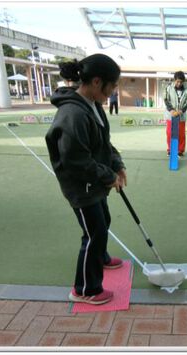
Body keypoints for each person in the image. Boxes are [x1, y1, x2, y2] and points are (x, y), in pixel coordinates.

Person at [45, 54, 127, 305]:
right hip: (80, 184)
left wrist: (117, 165)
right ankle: (85, 289)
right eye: (112, 86)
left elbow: (104, 143)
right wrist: (108, 175)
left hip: (95, 179)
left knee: (104, 221)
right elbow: (75, 160)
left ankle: (100, 258)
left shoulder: (94, 105)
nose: (113, 92)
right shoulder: (73, 114)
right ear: (96, 81)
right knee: (93, 233)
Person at [164, 71, 187, 156]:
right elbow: (166, 99)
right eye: (177, 81)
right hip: (170, 115)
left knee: (181, 134)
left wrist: (181, 111)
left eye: (181, 82)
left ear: (183, 81)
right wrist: (171, 110)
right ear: (174, 80)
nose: (179, 83)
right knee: (169, 133)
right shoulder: (168, 88)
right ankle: (170, 150)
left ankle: (180, 150)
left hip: (181, 115)